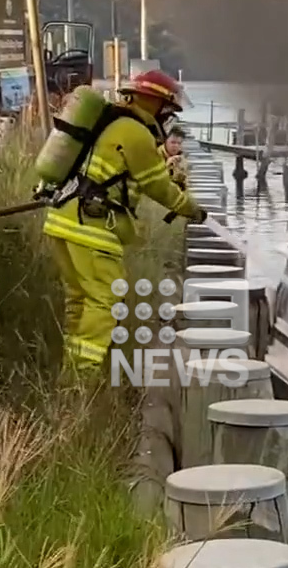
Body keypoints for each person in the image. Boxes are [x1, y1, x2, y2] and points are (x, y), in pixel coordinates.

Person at [41, 69, 205, 378]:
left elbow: (127, 175)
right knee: (104, 303)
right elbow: (158, 187)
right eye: (167, 110)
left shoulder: (113, 124)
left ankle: (70, 376)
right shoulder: (135, 132)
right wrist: (191, 209)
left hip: (62, 219)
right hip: (91, 228)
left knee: (80, 302)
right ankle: (81, 382)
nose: (168, 118)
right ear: (153, 102)